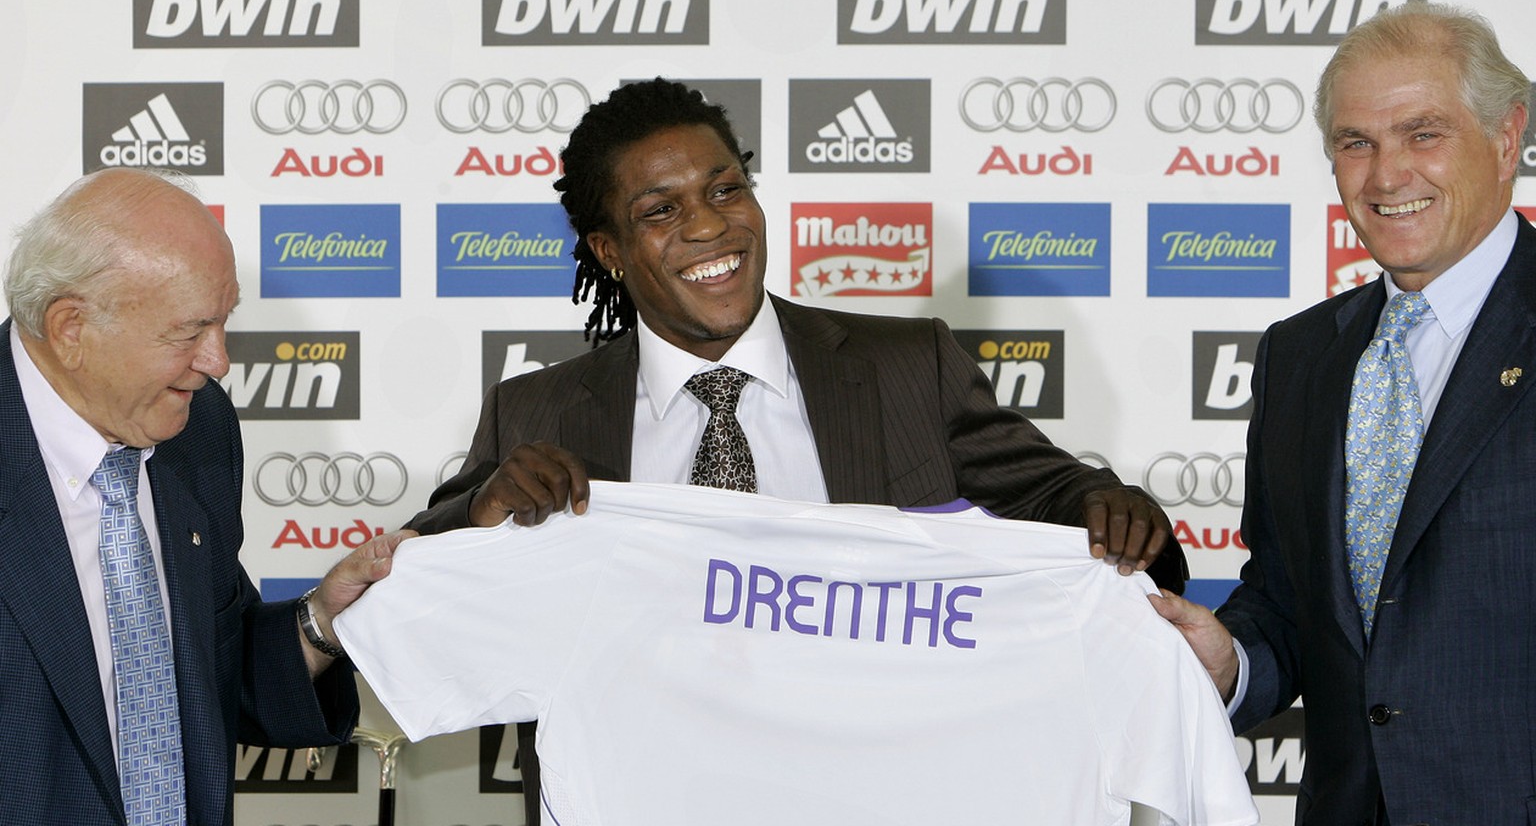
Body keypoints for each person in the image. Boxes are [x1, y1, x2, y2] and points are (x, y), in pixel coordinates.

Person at [407, 77, 1188, 822]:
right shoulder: (538, 410)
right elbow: (411, 593)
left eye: (724, 190)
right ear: (608, 250)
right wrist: (480, 515)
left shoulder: (907, 367)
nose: (709, 226)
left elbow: (1055, 499)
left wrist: (1104, 507)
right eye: (660, 211)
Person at [1151, 2, 1535, 824]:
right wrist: (1230, 662)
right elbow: (1288, 599)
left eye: (1422, 133)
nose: (1386, 174)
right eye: (1355, 143)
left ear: (1507, 139)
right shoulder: (1300, 356)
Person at [0, 167, 405, 825]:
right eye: (188, 332)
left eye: (222, 323)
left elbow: (196, 678)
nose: (217, 361)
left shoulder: (198, 427)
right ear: (71, 328)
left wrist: (320, 623)